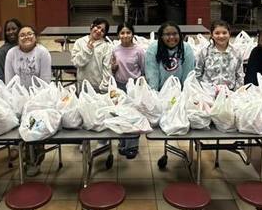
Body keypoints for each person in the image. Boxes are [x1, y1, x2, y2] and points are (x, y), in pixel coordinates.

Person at [4, 25, 52, 176]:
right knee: (21, 130)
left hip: (38, 98)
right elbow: (9, 80)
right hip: (18, 98)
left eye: (29, 34)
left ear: (35, 36)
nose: (26, 37)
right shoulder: (12, 53)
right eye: (22, 35)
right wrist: (16, 100)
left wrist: (36, 102)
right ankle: (25, 157)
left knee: (35, 129)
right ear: (18, 39)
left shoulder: (42, 52)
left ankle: (35, 160)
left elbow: (45, 81)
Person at [111, 22, 147, 159]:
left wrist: (142, 87)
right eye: (122, 33)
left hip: (134, 87)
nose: (125, 35)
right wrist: (113, 68)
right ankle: (123, 143)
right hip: (120, 85)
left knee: (134, 116)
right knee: (121, 115)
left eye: (128, 32)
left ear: (132, 34)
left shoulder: (139, 50)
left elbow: (143, 69)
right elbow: (113, 70)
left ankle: (132, 146)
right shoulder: (115, 50)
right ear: (118, 35)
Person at [144, 21, 195, 90]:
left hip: (179, 91)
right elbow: (152, 74)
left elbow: (188, 73)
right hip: (159, 91)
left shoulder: (186, 48)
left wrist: (185, 92)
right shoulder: (153, 49)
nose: (171, 37)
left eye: (175, 34)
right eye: (167, 34)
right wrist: (154, 94)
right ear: (161, 36)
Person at [195, 20, 244, 90]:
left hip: (230, 93)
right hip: (208, 93)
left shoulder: (236, 52)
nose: (221, 36)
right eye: (217, 33)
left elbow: (240, 75)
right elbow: (197, 74)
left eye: (224, 33)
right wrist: (200, 92)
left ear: (229, 33)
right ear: (212, 35)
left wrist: (236, 93)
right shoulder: (204, 52)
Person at [71, 17, 115, 91]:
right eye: (98, 27)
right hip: (83, 85)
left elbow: (107, 68)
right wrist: (87, 50)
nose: (98, 31)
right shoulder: (80, 42)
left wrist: (104, 86)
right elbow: (76, 63)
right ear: (92, 26)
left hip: (98, 86)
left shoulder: (106, 47)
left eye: (102, 31)